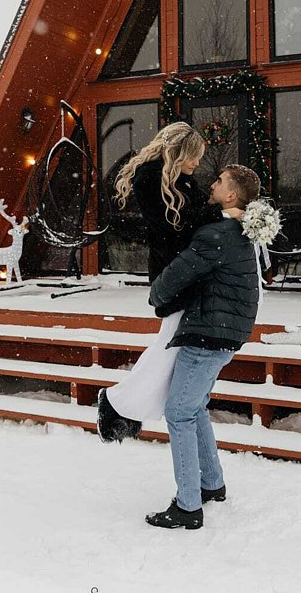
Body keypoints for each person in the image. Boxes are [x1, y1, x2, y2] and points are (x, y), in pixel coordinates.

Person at [96, 122, 243, 443]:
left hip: (191, 272)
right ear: (178, 153)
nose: (197, 163)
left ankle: (127, 405)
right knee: (170, 345)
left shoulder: (183, 179)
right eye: (194, 156)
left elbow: (196, 218)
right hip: (173, 273)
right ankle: (118, 402)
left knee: (172, 347)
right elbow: (171, 229)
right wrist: (221, 216)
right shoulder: (149, 178)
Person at [145, 164, 261, 530]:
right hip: (225, 333)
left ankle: (188, 507)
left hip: (208, 334)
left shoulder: (217, 235)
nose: (211, 185)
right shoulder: (240, 232)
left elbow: (176, 275)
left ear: (231, 195)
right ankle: (212, 483)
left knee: (178, 412)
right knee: (194, 409)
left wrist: (156, 295)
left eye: (219, 182)